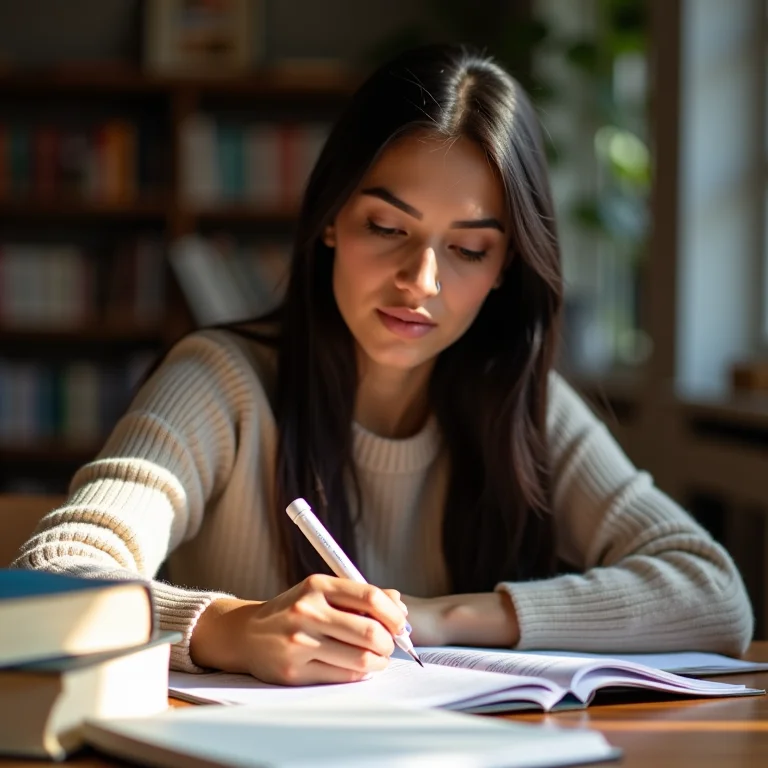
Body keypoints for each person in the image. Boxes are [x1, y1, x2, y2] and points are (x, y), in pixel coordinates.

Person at [14, 44, 753, 685]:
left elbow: (714, 593)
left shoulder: (522, 400)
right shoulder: (222, 381)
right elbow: (50, 579)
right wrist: (228, 629)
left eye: (469, 248)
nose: (421, 281)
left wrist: (440, 618)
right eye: (387, 226)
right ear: (332, 219)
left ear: (504, 268)